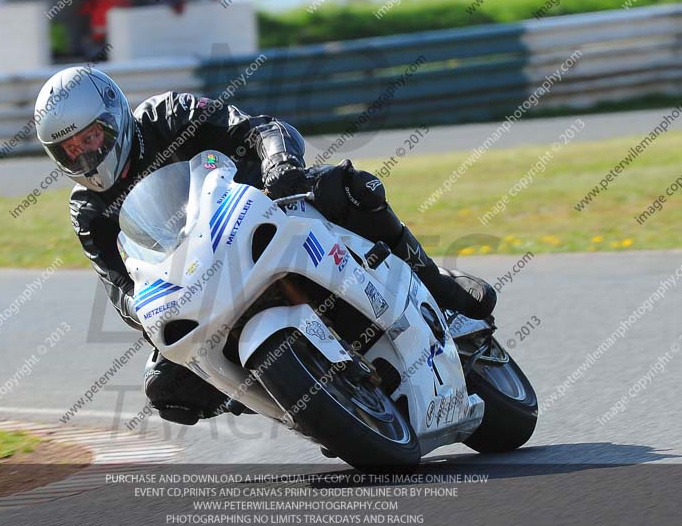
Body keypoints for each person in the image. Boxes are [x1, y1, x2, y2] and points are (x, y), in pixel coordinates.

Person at [34, 67, 496, 425]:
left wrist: (278, 163)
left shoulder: (167, 114)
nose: (85, 154)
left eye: (90, 137)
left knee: (351, 187)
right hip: (195, 278)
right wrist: (144, 316)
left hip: (262, 212)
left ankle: (435, 285)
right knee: (167, 388)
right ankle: (297, 403)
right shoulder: (89, 212)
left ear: (113, 118)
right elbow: (120, 285)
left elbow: (257, 128)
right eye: (69, 150)